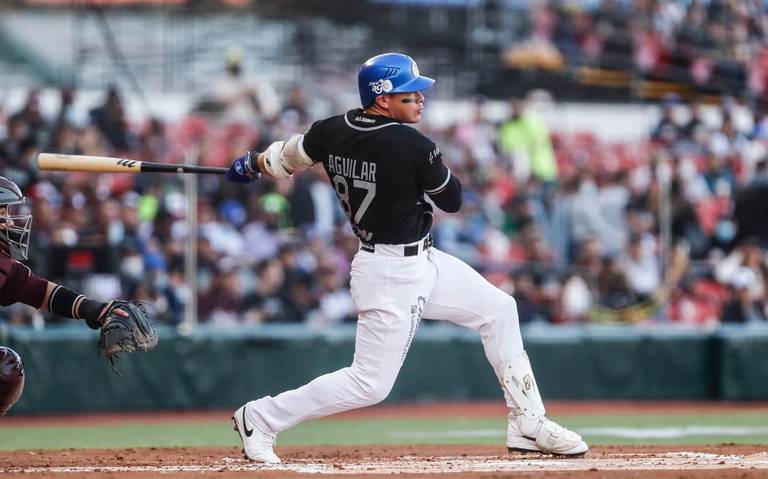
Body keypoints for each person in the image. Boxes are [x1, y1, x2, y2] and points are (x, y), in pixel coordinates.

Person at [225, 52, 588, 463]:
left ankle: (529, 424)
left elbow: (284, 158)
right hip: (389, 271)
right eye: (409, 93)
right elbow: (452, 199)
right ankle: (261, 416)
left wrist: (251, 164)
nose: (420, 98)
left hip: (421, 261)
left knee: (500, 309)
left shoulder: (331, 129)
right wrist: (425, 165)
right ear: (382, 99)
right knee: (370, 384)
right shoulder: (411, 143)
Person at [0, 176, 134, 415]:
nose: (10, 222)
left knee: (6, 367)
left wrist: (96, 310)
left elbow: (42, 292)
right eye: (3, 212)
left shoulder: (5, 265)